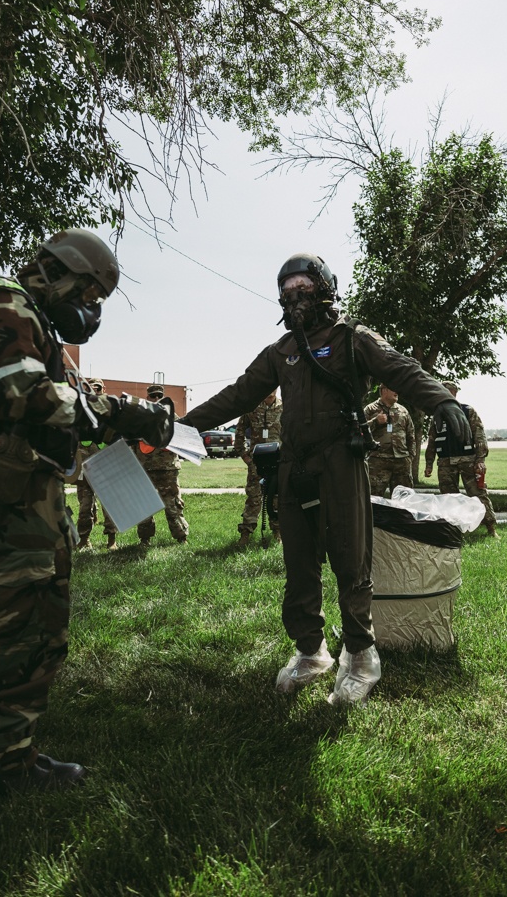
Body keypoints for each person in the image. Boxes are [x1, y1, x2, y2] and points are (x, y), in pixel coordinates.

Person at [181, 253, 472, 704]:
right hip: (294, 468)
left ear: (324, 288)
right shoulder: (281, 352)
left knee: (350, 562)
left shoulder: (352, 338)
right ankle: (311, 650)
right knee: (299, 564)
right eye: (287, 288)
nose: (295, 295)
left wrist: (443, 402)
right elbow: (236, 394)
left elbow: (401, 369)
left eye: (304, 285)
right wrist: (183, 424)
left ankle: (360, 654)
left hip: (341, 463)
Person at [0, 229, 173, 792]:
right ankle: (1, 767)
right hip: (1, 492)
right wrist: (111, 409)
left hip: (17, 487)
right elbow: (16, 393)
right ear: (57, 271)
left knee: (17, 626)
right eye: (90, 293)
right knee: (25, 630)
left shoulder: (32, 323)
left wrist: (115, 413)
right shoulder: (0, 299)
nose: (91, 310)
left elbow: (60, 401)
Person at [424, 380, 499, 538]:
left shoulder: (467, 411)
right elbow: (432, 440)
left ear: (453, 393)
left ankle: (491, 528)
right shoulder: (437, 415)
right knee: (448, 498)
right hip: (445, 462)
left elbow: (479, 435)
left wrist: (480, 460)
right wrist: (429, 463)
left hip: (468, 461)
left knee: (478, 494)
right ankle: (453, 530)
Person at [135, 383, 189, 548]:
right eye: (153, 396)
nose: (156, 399)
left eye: (159, 396)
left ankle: (181, 537)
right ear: (148, 398)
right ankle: (145, 539)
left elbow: (183, 437)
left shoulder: (173, 417)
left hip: (168, 468)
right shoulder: (140, 417)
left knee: (173, 504)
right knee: (145, 505)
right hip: (145, 467)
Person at [233, 391, 283, 546]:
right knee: (253, 498)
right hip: (257, 461)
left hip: (277, 460)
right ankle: (246, 533)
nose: (271, 391)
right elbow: (239, 432)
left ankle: (278, 532)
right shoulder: (252, 407)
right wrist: (245, 456)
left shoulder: (284, 407)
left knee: (276, 498)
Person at [75, 377, 119, 551]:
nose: (95, 392)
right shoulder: (80, 410)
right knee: (85, 505)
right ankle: (84, 539)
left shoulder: (109, 410)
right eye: (91, 389)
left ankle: (111, 540)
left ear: (104, 389)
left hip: (105, 465)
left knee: (108, 505)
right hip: (84, 466)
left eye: (98, 389)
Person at [364, 385, 415, 495]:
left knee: (404, 499)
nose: (397, 391)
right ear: (384, 390)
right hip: (378, 461)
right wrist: (375, 422)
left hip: (401, 461)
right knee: (373, 498)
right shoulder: (370, 409)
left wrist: (410, 457)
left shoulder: (403, 411)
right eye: (393, 388)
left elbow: (411, 435)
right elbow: (360, 431)